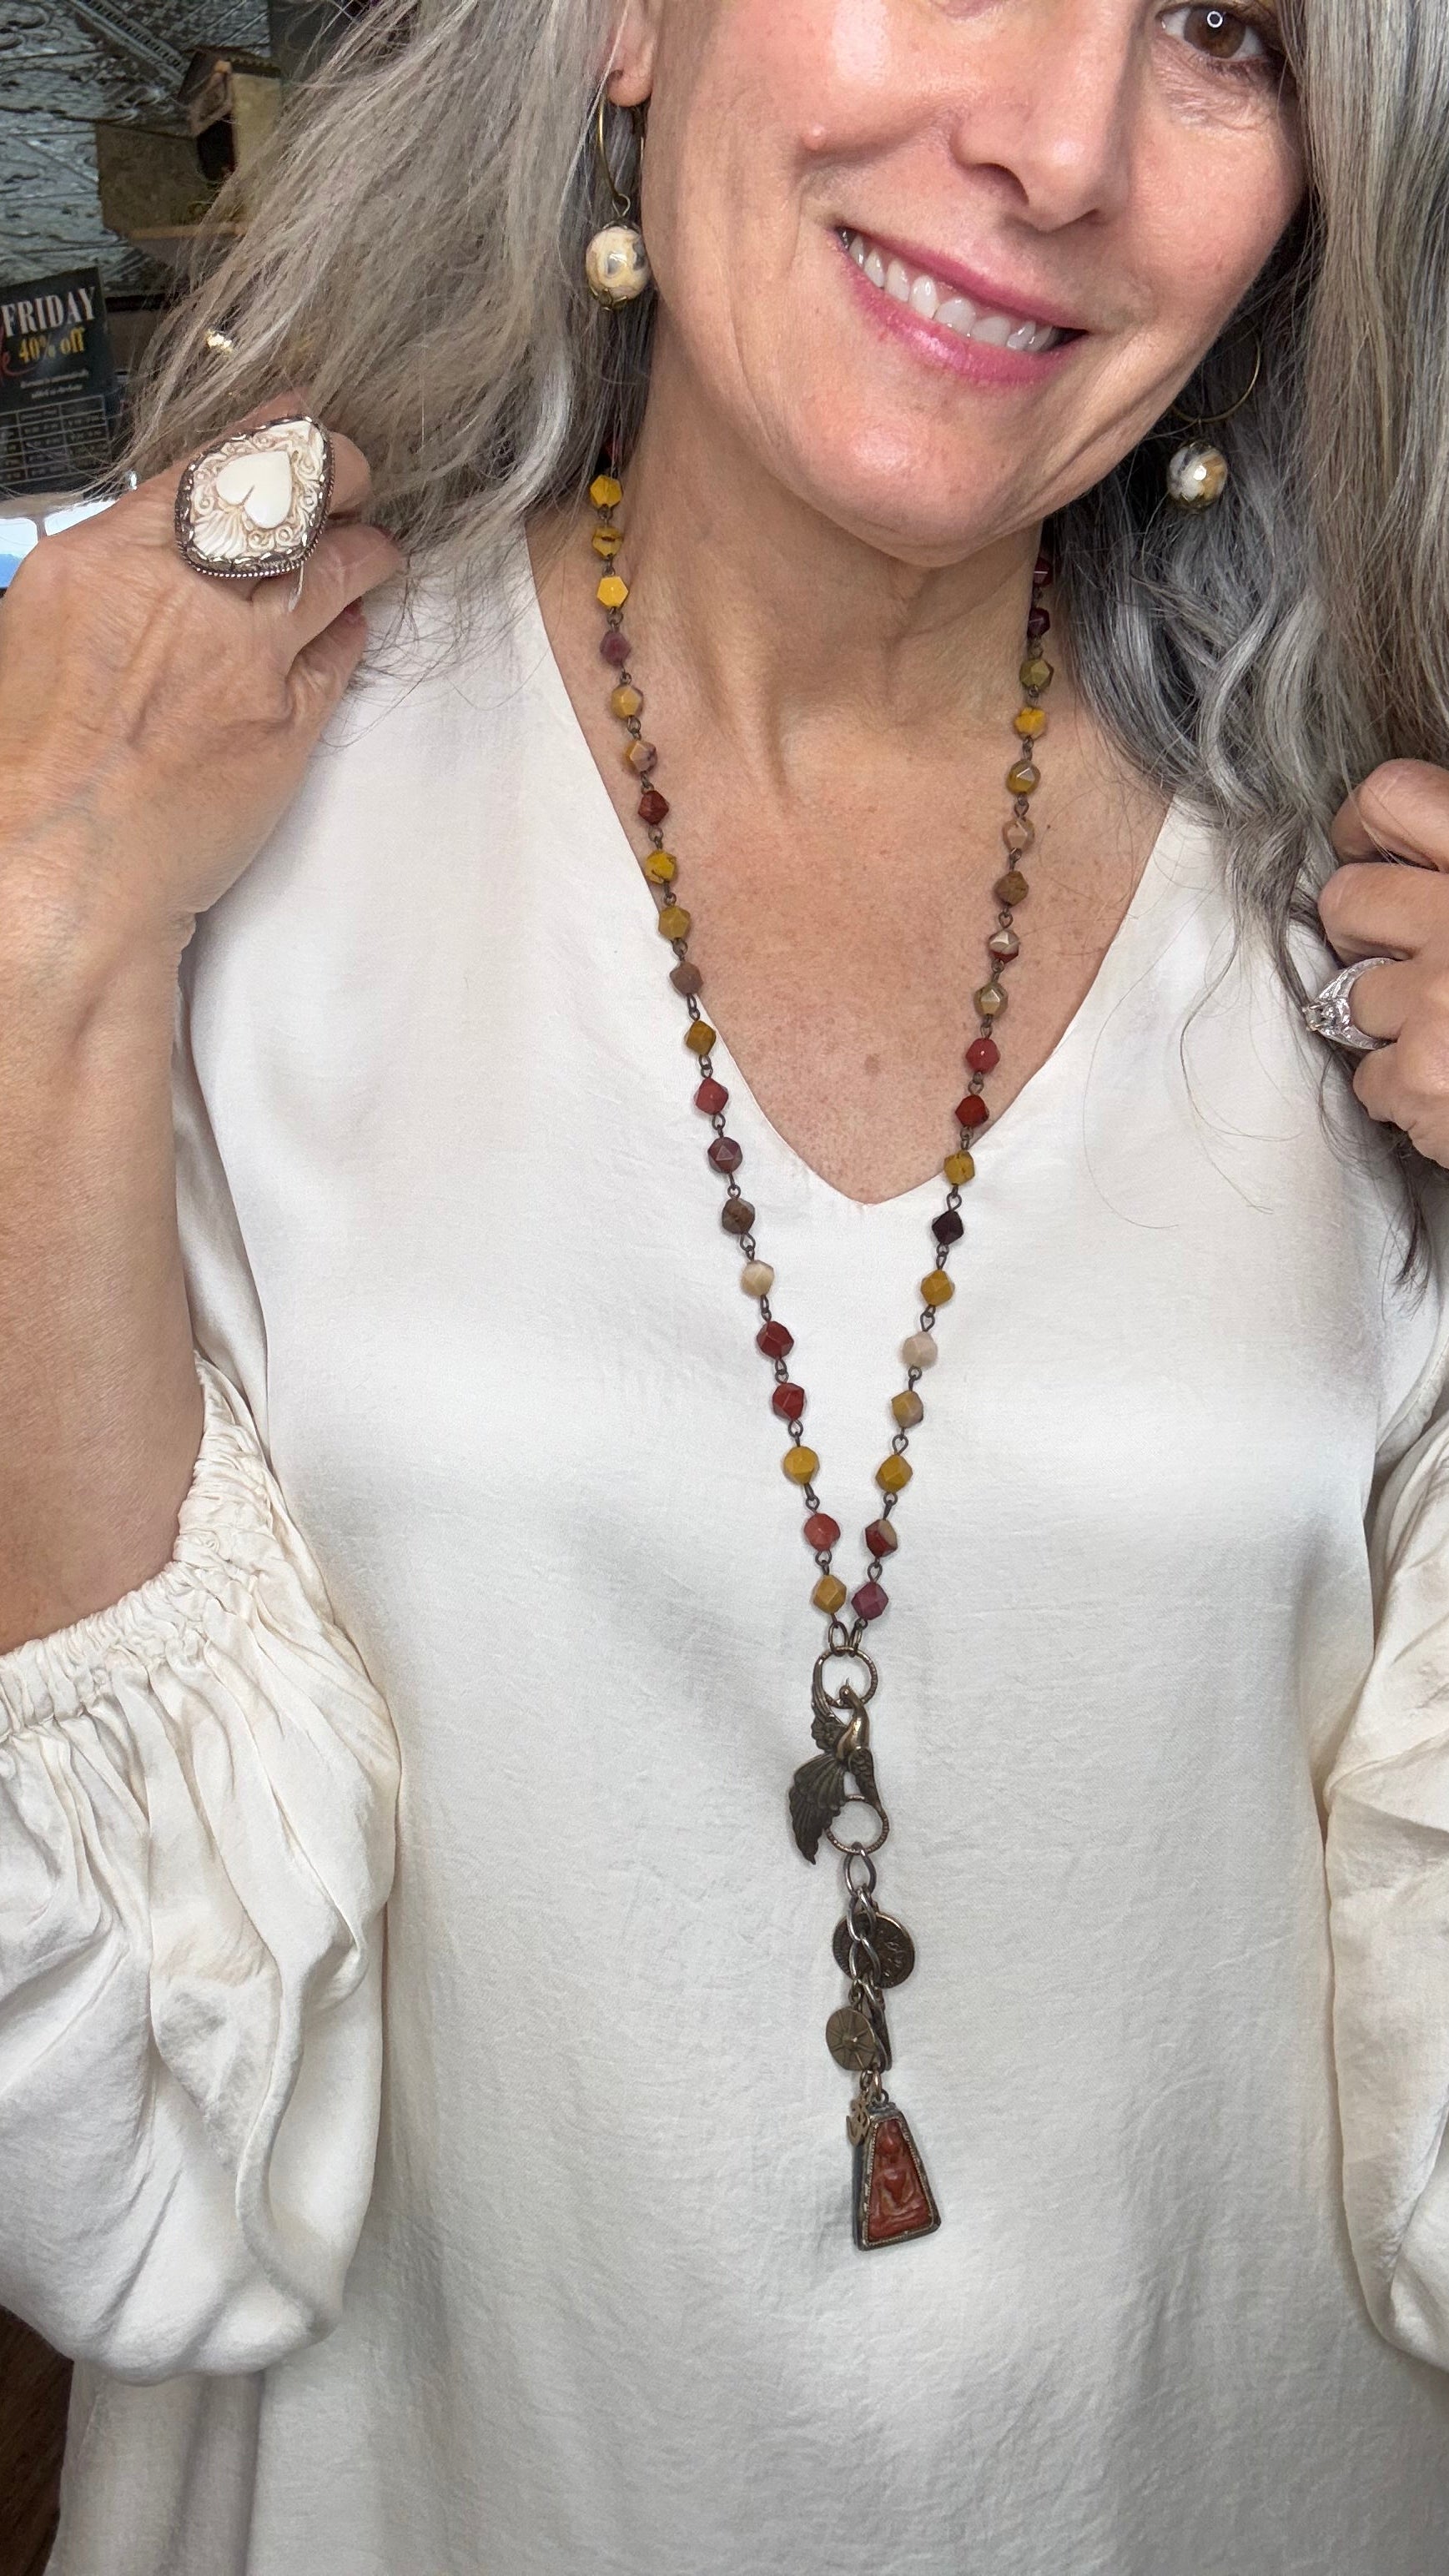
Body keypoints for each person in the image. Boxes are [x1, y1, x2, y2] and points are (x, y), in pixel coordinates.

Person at [5, 0, 1449, 2565]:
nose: (1056, 142)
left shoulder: (1361, 912)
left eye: (1228, 31)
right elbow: (117, 2181)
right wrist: (38, 948)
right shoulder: (201, 819)